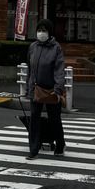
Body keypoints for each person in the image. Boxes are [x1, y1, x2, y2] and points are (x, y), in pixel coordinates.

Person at [25, 18, 67, 160]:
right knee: (34, 119)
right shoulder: (33, 47)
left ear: (49, 32)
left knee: (55, 119)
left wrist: (58, 89)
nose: (41, 33)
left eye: (44, 30)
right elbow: (30, 70)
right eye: (39, 30)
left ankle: (60, 144)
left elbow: (59, 71)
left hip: (51, 90)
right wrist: (28, 88)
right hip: (36, 89)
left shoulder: (56, 48)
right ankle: (34, 149)